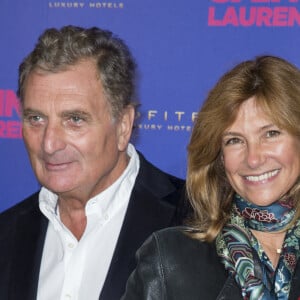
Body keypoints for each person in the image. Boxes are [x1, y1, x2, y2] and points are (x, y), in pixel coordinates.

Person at [0, 25, 186, 300]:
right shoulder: (6, 234)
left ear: (123, 126)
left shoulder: (198, 222)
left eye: (74, 119)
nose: (49, 144)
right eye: (36, 119)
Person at [122, 55, 300, 300]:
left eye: (270, 134)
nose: (254, 158)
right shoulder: (170, 259)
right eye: (234, 140)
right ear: (219, 156)